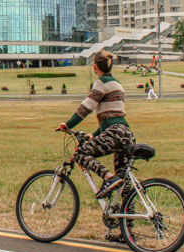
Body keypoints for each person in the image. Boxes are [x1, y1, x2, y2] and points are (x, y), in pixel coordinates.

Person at [57, 50, 135, 199]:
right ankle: (128, 220)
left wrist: (67, 125)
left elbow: (85, 108)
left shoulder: (101, 83)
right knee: (124, 186)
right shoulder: (117, 84)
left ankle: (108, 178)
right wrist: (94, 134)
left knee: (81, 153)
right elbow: (114, 117)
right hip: (126, 134)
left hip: (114, 134)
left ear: (95, 67)